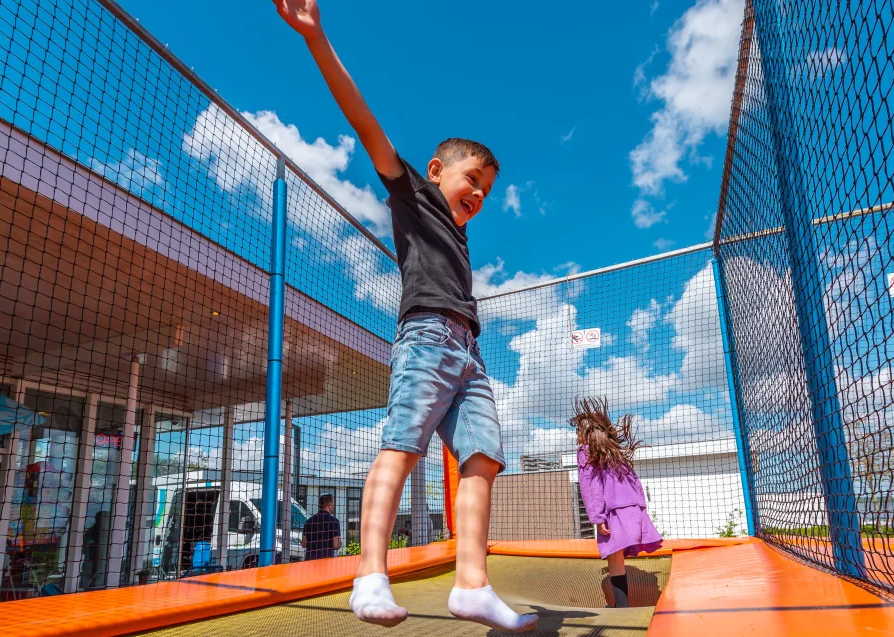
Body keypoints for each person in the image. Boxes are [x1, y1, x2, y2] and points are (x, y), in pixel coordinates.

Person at [272, 2, 538, 632]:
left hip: (468, 353)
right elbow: (363, 122)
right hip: (425, 340)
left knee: (482, 458)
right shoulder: (413, 194)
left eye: (488, 191)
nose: (479, 194)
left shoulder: (461, 235)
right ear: (438, 169)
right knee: (402, 446)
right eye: (473, 179)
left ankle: (472, 585)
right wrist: (317, 39)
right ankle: (369, 575)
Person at [571, 397, 663, 608]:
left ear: (585, 433)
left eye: (577, 431)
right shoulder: (614, 451)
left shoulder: (586, 452)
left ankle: (622, 608)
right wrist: (641, 509)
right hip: (633, 509)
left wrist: (597, 517)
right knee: (617, 558)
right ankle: (622, 605)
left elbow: (591, 487)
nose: (576, 436)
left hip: (612, 512)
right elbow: (634, 481)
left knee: (615, 561)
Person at [302, 493, 343, 561]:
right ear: (329, 505)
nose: (334, 507)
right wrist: (340, 543)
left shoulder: (309, 521)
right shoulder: (334, 521)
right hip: (325, 560)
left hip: (310, 561)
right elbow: (336, 545)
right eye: (333, 505)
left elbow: (304, 543)